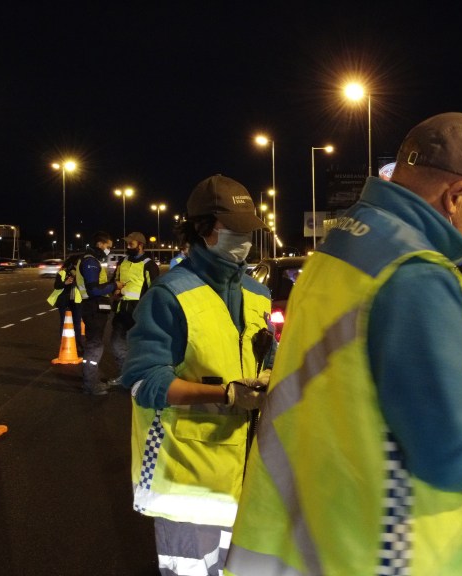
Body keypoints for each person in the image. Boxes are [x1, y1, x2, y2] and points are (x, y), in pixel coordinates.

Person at [227, 112, 462, 575]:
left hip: (304, 535)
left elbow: (438, 348)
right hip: (381, 555)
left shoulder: (342, 251)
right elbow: (456, 458)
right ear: (456, 197)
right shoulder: (416, 274)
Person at [120, 174, 275, 576]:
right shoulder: (169, 295)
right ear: (205, 230)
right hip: (185, 485)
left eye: (249, 230)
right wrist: (226, 395)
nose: (244, 239)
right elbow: (143, 382)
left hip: (246, 478)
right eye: (234, 230)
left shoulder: (257, 294)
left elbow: (268, 358)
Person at [106, 231, 159, 387]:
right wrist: (113, 289)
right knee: (116, 344)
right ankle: (125, 375)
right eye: (127, 244)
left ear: (140, 245)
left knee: (140, 346)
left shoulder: (149, 264)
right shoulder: (122, 261)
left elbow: (154, 289)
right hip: (121, 309)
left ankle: (143, 377)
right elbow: (114, 280)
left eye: (131, 244)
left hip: (139, 312)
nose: (128, 246)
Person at [76, 231, 121, 396]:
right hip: (93, 307)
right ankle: (91, 384)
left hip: (92, 307)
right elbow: (94, 289)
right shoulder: (90, 262)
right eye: (108, 246)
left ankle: (90, 378)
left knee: (93, 345)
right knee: (94, 346)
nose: (108, 250)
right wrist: (114, 285)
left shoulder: (91, 260)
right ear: (101, 244)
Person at [46, 253, 83, 348]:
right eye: (79, 262)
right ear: (74, 263)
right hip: (64, 300)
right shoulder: (62, 272)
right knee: (64, 322)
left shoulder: (81, 272)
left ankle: (78, 345)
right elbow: (56, 285)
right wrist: (65, 283)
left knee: (77, 323)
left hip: (76, 301)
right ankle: (64, 344)